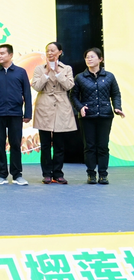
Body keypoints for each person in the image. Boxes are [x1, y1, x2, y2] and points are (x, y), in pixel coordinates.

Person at [71, 48, 125, 185]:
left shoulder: (109, 76)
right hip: (87, 116)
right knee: (89, 146)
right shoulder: (80, 77)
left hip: (105, 115)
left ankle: (103, 174)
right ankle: (91, 174)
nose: (89, 59)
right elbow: (73, 96)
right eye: (87, 57)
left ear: (100, 59)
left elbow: (115, 94)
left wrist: (117, 107)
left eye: (92, 56)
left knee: (103, 146)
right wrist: (80, 107)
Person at [0, 43, 32, 186]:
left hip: (15, 113)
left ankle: (17, 175)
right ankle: (1, 175)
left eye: (2, 53)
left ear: (10, 55)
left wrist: (27, 113)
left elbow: (27, 94)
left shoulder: (20, 72)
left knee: (15, 144)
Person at [31, 42, 76, 184]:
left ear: (60, 52)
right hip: (44, 107)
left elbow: (69, 86)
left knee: (59, 144)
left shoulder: (66, 68)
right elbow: (36, 87)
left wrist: (57, 72)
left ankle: (58, 173)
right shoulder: (39, 69)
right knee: (45, 144)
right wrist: (46, 73)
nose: (50, 53)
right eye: (47, 51)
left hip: (61, 107)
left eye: (52, 50)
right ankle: (46, 174)